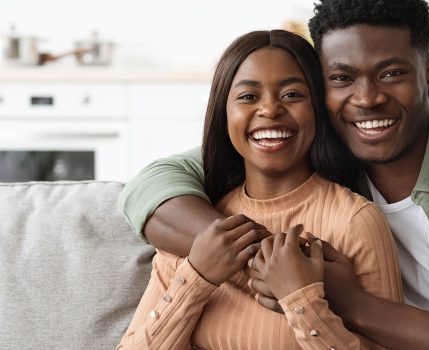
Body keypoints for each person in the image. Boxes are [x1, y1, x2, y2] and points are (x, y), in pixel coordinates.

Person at [119, 0, 429, 348]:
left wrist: (348, 302)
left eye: (392, 73)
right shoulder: (309, 145)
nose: (367, 98)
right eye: (341, 78)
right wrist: (265, 257)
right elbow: (150, 186)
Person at [117, 29, 402, 349]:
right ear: (224, 114)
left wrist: (301, 302)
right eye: (248, 97)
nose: (270, 110)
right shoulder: (201, 218)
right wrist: (197, 278)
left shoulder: (355, 222)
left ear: (318, 109)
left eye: (292, 94)